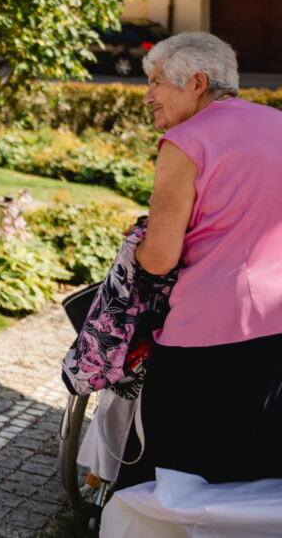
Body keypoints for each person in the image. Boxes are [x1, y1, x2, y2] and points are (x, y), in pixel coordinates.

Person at [120, 32, 282, 489]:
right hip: (277, 320)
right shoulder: (277, 123)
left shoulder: (184, 140)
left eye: (156, 83)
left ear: (196, 83)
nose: (148, 95)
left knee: (182, 468)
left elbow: (158, 259)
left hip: (208, 328)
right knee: (254, 470)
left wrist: (139, 243)